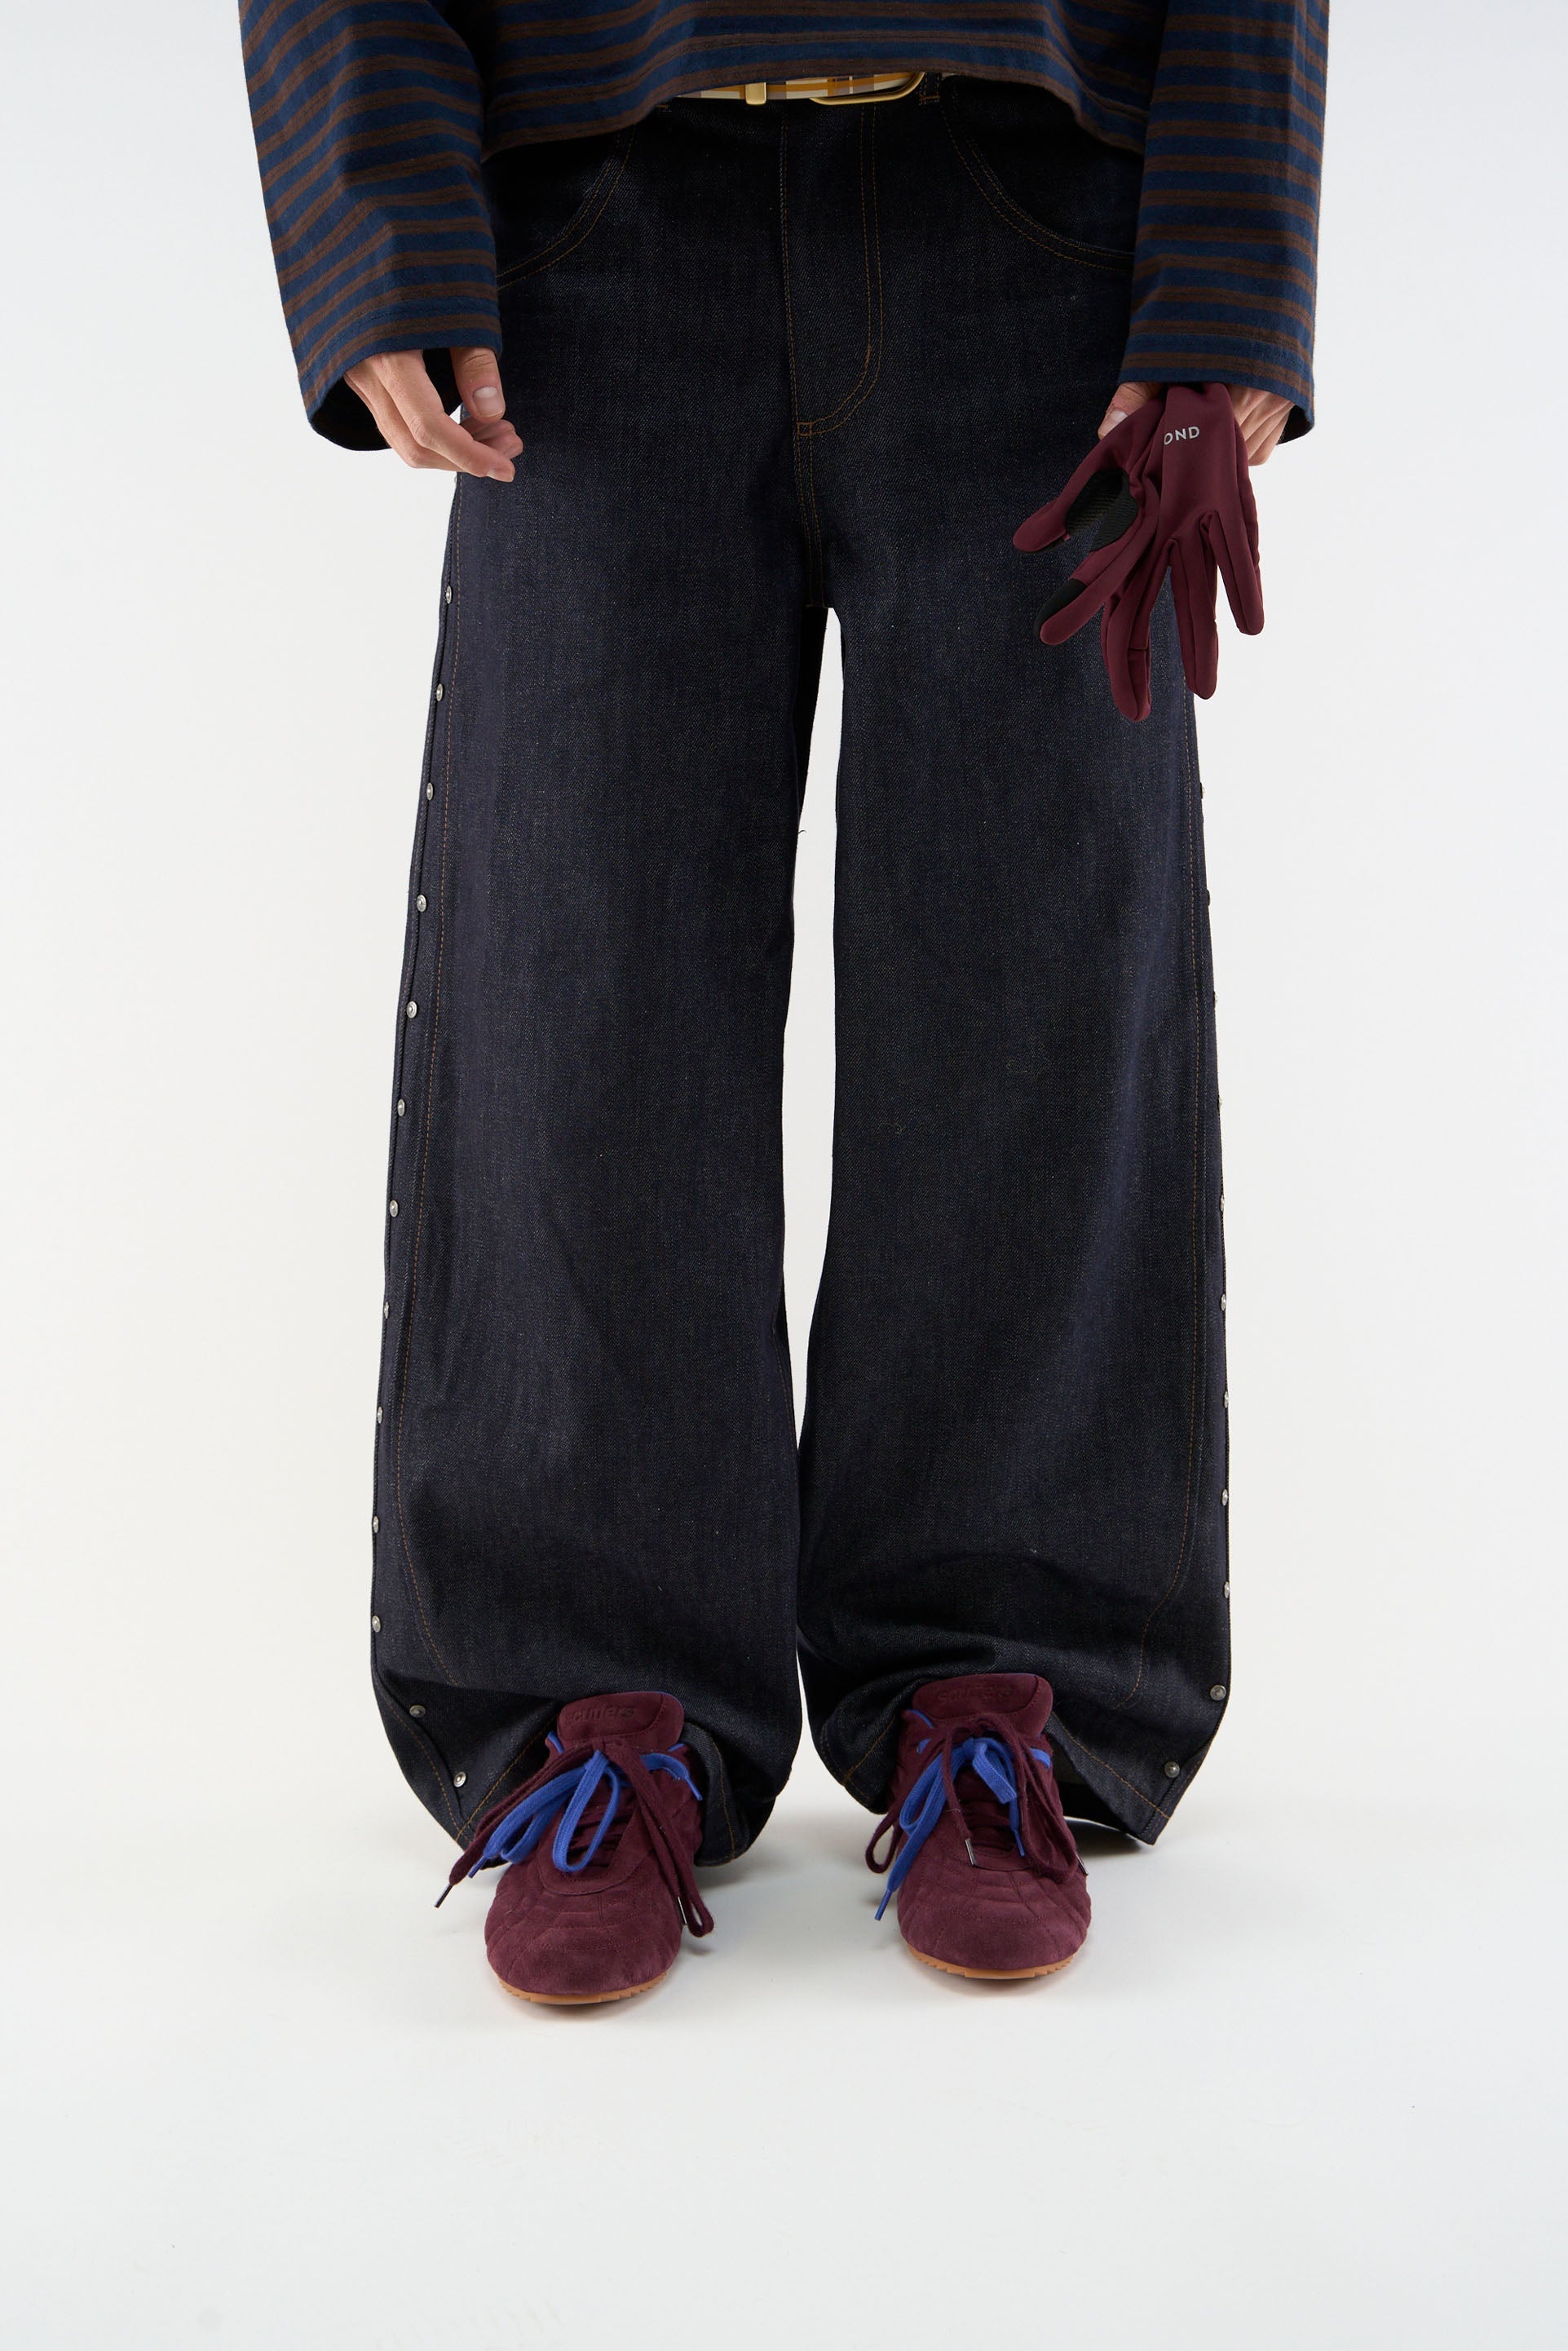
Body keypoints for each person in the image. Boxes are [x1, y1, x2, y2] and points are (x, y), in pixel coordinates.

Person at [240, 2, 1326, 2003]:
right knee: (578, 966)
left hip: (1036, 224)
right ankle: (599, 1696)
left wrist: (1231, 265)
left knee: (1028, 966)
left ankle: (997, 1678)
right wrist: (379, 215)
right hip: (594, 226)